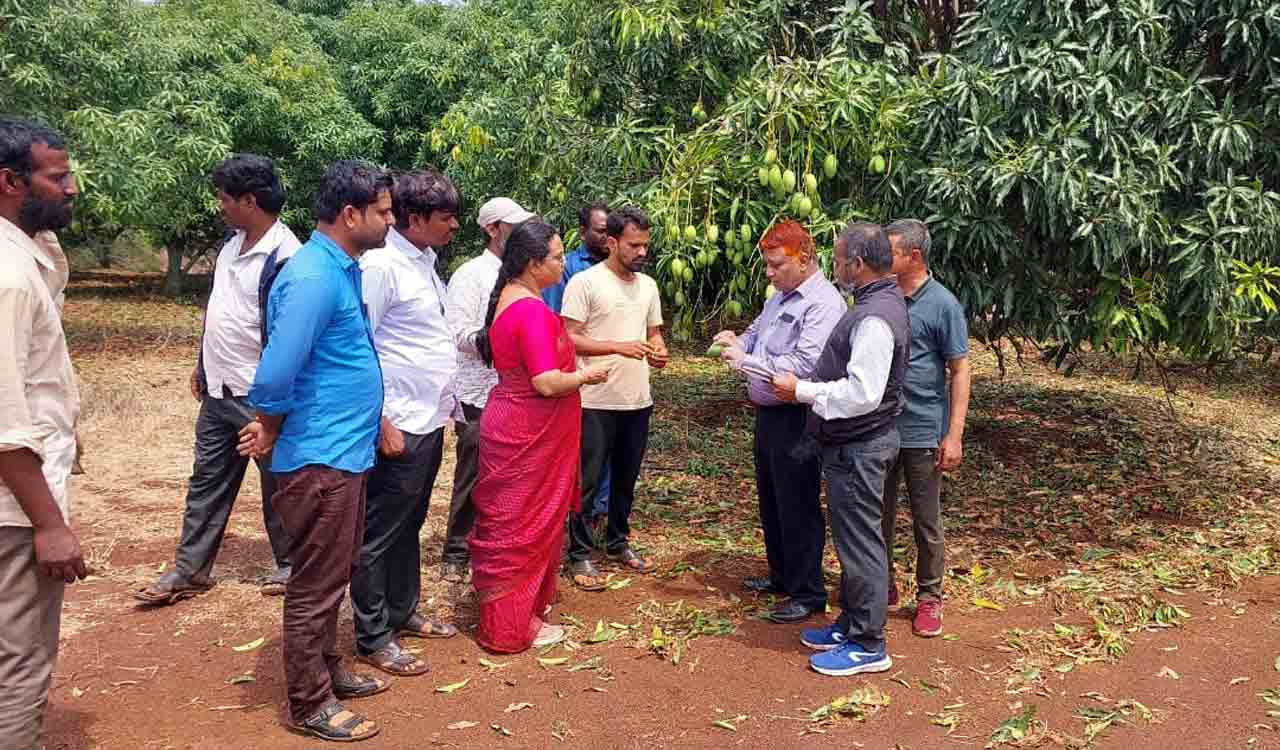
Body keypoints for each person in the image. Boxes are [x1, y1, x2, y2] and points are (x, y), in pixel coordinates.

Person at [238, 160, 392, 742]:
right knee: (316, 582)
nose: (390, 221)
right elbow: (275, 374)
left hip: (342, 452)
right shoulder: (313, 277)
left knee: (336, 570)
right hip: (319, 457)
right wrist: (270, 426)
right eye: (383, 211)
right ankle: (309, 703)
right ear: (350, 215)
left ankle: (326, 669)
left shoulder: (339, 269)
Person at [137, 154, 298, 606]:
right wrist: (202, 365)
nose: (219, 205)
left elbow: (287, 336)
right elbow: (221, 310)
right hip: (219, 389)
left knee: (279, 483)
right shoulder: (232, 244)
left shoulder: (286, 257)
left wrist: (276, 408)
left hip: (259, 395)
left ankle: (291, 566)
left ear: (249, 200)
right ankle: (191, 571)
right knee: (207, 480)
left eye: (225, 197)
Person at [771, 222, 909, 677]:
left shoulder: (874, 317)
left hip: (861, 444)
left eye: (838, 257)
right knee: (852, 540)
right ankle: (851, 622)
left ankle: (870, 643)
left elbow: (863, 392)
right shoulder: (876, 305)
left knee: (861, 544)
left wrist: (803, 392)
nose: (833, 264)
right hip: (856, 443)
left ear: (858, 263)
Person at [469, 218, 610, 652]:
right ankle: (511, 624)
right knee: (521, 523)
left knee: (521, 518)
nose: (563, 263)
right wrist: (587, 376)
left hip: (521, 424)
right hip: (526, 428)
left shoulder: (512, 298)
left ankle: (521, 607)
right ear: (533, 264)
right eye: (557, 257)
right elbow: (546, 381)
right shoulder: (528, 309)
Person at [350, 170, 462, 677]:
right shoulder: (381, 266)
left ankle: (403, 609)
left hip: (429, 419)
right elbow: (360, 346)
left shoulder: (425, 262)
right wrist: (381, 419)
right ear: (415, 219)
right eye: (446, 217)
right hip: (398, 423)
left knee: (409, 525)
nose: (455, 225)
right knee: (379, 532)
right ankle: (373, 635)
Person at [0, 116, 88, 750]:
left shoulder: (31, 259)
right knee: (20, 665)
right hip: (14, 511)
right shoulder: (7, 278)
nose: (73, 188)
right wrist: (49, 523)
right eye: (57, 177)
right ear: (10, 182)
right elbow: (5, 424)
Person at [712, 220, 846, 623]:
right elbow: (755, 333)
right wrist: (737, 340)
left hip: (799, 416)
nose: (769, 274)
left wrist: (746, 361)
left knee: (798, 503)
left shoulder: (823, 304)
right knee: (772, 498)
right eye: (767, 266)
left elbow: (805, 366)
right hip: (770, 414)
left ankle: (808, 591)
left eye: (775, 265)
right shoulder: (780, 298)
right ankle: (782, 575)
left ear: (803, 258)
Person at [562, 206, 668, 590]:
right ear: (611, 243)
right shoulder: (585, 283)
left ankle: (618, 541)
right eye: (634, 245)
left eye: (645, 245)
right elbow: (568, 335)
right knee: (588, 481)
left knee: (626, 478)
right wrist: (616, 347)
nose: (642, 252)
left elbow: (654, 332)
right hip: (593, 399)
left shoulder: (648, 286)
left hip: (637, 398)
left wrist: (658, 350)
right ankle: (579, 553)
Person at [882, 218, 970, 637]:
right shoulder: (881, 294)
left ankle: (930, 597)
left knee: (925, 520)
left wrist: (954, 434)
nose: (883, 257)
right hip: (879, 428)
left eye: (891, 251)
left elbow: (959, 369)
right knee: (876, 513)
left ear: (913, 256)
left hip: (921, 430)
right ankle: (881, 585)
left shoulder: (943, 304)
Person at [439, 196, 534, 584]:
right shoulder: (472, 274)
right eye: (513, 226)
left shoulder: (523, 276)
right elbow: (457, 331)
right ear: (493, 230)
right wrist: (499, 340)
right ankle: (457, 549)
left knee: (509, 473)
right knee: (474, 469)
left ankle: (496, 543)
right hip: (479, 390)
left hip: (515, 390)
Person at [542, 202, 613, 522]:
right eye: (599, 231)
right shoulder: (569, 268)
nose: (606, 236)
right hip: (583, 372)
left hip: (617, 367)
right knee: (587, 450)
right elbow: (560, 325)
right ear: (583, 232)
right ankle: (581, 513)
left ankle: (603, 508)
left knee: (610, 447)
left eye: (610, 230)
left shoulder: (623, 266)